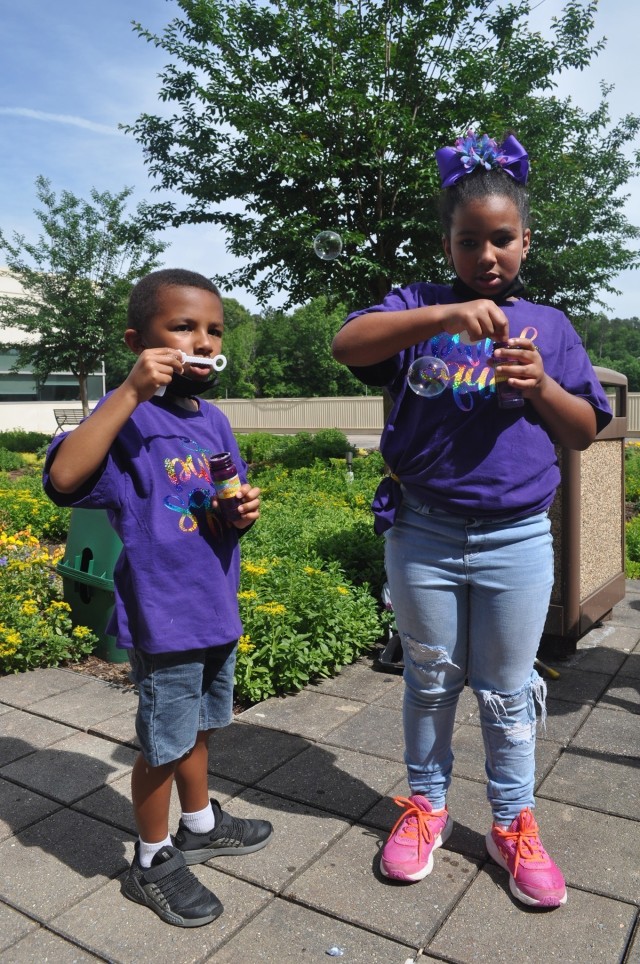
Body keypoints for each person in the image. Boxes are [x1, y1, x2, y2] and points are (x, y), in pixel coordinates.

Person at [332, 131, 612, 909]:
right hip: (422, 533)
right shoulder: (418, 307)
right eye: (468, 241)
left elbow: (585, 428)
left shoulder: (549, 325)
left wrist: (542, 386)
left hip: (518, 539)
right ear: (447, 245)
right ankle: (425, 805)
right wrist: (443, 315)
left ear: (524, 239)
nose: (486, 255)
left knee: (506, 687)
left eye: (501, 239)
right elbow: (347, 342)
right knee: (428, 680)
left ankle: (512, 819)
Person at [43, 268, 273, 928]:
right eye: (183, 326)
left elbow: (226, 500)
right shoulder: (128, 421)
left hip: (212, 608)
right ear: (138, 338)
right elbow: (62, 477)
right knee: (163, 745)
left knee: (197, 727)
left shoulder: (215, 421)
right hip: (164, 617)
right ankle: (151, 857)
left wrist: (243, 511)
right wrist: (129, 390)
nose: (202, 340)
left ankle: (198, 824)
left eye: (214, 330)